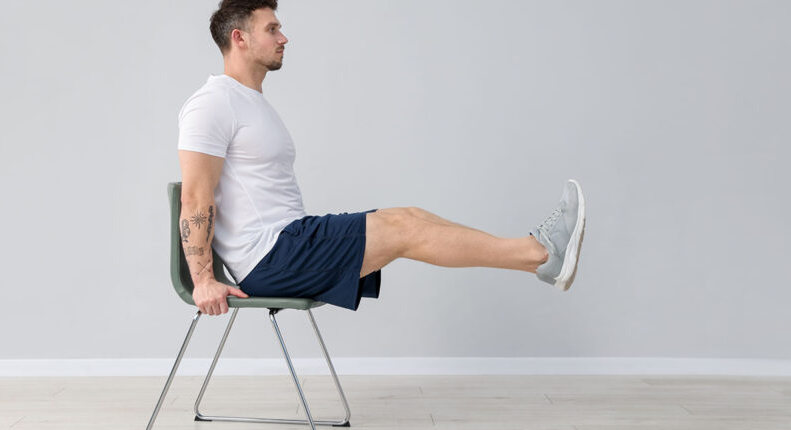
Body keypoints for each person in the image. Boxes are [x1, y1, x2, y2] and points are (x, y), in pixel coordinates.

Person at [177, 0, 587, 316]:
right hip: (268, 259)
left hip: (291, 239)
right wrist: (203, 281)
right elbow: (195, 199)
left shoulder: (251, 102)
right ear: (239, 38)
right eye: (272, 29)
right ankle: (539, 253)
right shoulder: (212, 103)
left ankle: (540, 259)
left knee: (410, 215)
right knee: (405, 228)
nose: (284, 38)